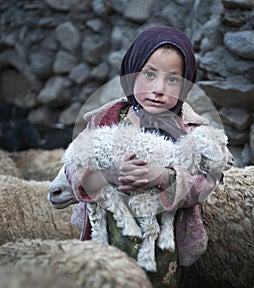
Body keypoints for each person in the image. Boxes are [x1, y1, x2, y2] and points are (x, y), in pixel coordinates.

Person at [66, 25, 231, 287]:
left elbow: (206, 181)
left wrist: (164, 177)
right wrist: (107, 175)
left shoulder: (190, 130)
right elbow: (73, 168)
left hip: (161, 251)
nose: (159, 88)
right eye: (149, 75)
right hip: (106, 239)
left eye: (173, 79)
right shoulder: (105, 119)